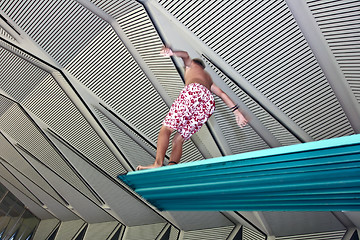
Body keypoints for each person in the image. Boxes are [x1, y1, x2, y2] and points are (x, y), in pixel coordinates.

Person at [136, 47, 248, 170]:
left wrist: (172, 52)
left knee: (167, 128)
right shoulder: (208, 79)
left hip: (194, 92)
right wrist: (237, 112)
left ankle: (157, 163)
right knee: (179, 139)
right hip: (208, 104)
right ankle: (172, 166)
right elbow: (222, 94)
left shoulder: (192, 66)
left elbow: (185, 55)